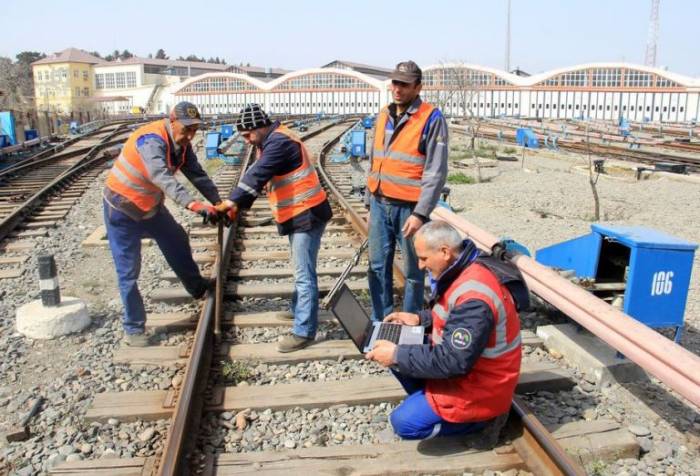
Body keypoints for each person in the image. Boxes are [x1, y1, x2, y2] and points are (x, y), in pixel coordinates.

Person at [366, 221, 529, 440]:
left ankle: (482, 422)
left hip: (481, 386)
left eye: (423, 258)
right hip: (472, 369)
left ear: (444, 252)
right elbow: (451, 313)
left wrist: (396, 354)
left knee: (404, 423)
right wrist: (418, 319)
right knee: (396, 351)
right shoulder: (464, 268)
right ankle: (431, 401)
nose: (421, 266)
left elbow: (453, 361)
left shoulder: (474, 299)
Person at [215, 104, 332, 353]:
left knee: (304, 274)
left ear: (260, 126)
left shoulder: (278, 143)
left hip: (307, 213)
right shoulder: (270, 140)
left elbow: (257, 174)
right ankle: (296, 309)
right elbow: (264, 179)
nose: (246, 141)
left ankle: (304, 331)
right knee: (301, 270)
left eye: (248, 135)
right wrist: (239, 205)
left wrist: (230, 202)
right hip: (300, 212)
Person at [104, 101, 222, 347]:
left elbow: (197, 174)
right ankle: (134, 328)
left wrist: (218, 202)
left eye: (194, 130)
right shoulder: (151, 140)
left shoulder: (182, 144)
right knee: (128, 270)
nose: (189, 135)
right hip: (121, 209)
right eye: (186, 129)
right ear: (171, 121)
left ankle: (196, 286)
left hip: (149, 206)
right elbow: (161, 176)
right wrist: (193, 205)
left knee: (177, 238)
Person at [366, 60, 448, 321]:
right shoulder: (383, 115)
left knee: (414, 271)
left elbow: (435, 171)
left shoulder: (431, 118)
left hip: (409, 209)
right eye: (395, 83)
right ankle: (383, 320)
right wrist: (370, 203)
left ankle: (410, 322)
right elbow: (374, 161)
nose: (398, 89)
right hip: (380, 204)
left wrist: (421, 213)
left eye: (404, 84)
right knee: (377, 266)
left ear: (418, 87)